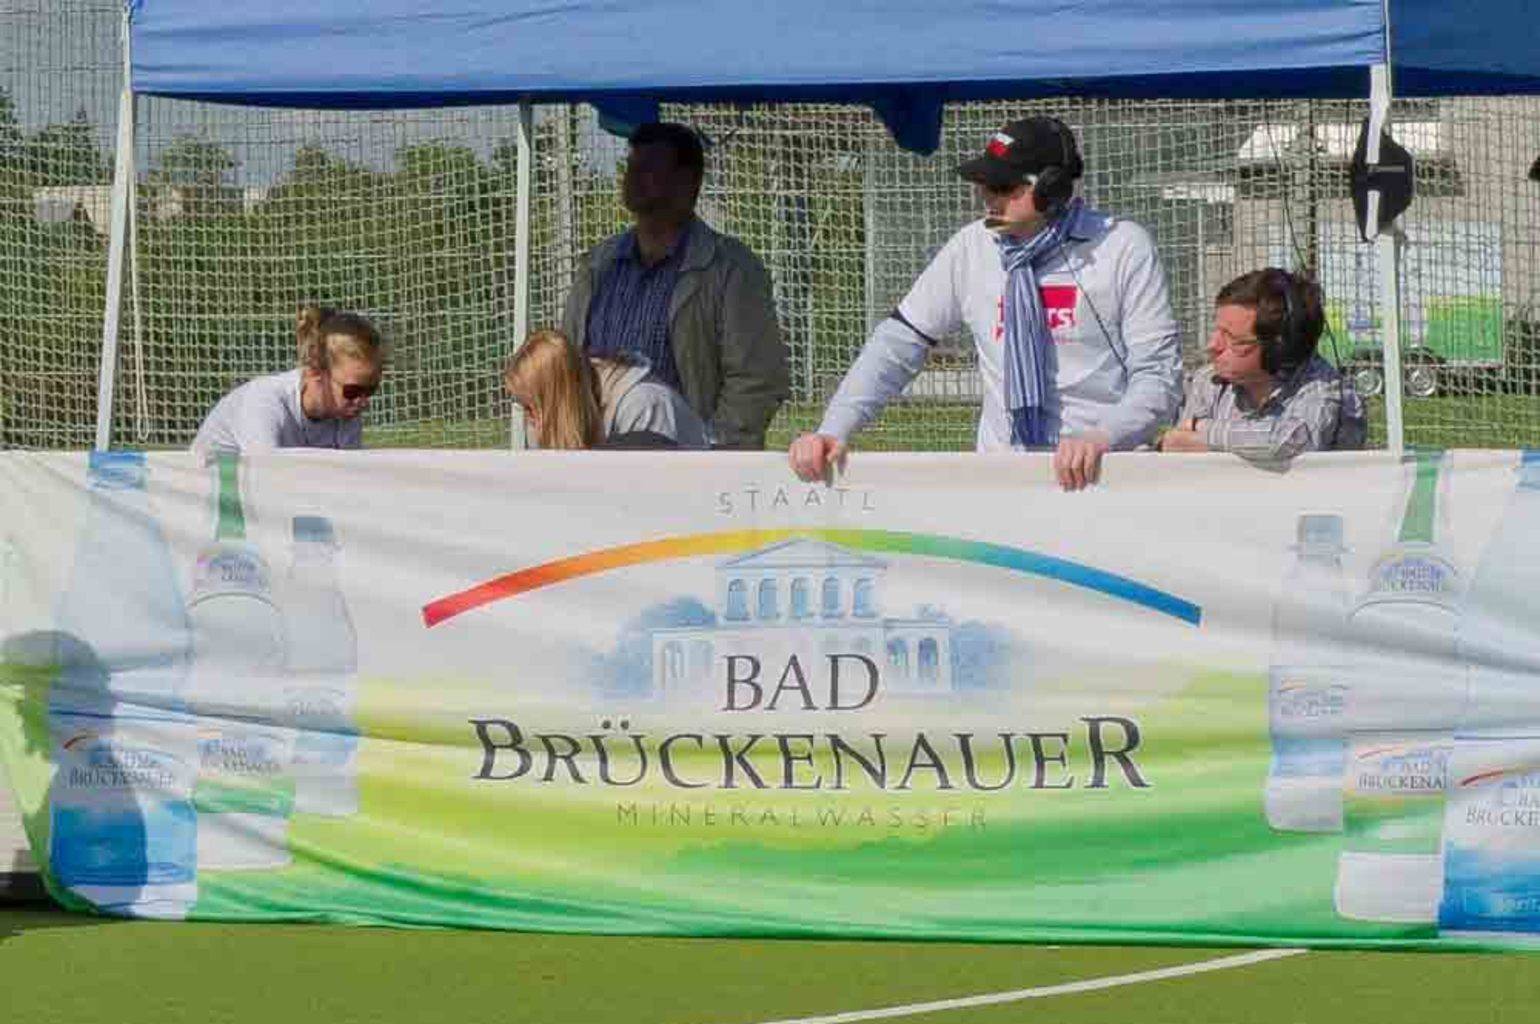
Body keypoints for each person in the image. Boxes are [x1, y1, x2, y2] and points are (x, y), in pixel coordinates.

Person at [789, 116, 1181, 490]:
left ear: (1052, 188)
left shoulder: (1123, 246)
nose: (988, 199)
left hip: (1104, 473)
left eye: (1004, 187)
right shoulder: (972, 246)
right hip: (1003, 476)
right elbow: (897, 343)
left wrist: (1100, 438)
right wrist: (833, 428)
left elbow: (1158, 378)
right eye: (985, 185)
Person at [561, 121, 788, 449]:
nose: (633, 176)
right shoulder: (598, 264)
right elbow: (567, 360)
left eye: (648, 167)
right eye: (631, 165)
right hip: (597, 459)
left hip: (684, 466)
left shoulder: (731, 269)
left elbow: (757, 379)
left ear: (688, 181)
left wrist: (708, 450)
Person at [1158, 268, 1367, 460]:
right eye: (1217, 331)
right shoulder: (1209, 381)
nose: (1212, 346)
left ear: (1278, 349)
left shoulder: (1324, 390)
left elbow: (1291, 440)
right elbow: (1180, 449)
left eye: (1232, 339)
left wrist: (1204, 430)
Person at [191, 305, 384, 458]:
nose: (364, 402)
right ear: (315, 372)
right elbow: (268, 481)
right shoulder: (265, 402)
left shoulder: (346, 414)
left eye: (371, 390)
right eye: (353, 391)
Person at [503, 328, 709, 450]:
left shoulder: (645, 405)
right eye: (522, 405)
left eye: (531, 407)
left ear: (558, 399)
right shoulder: (542, 418)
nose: (527, 418)